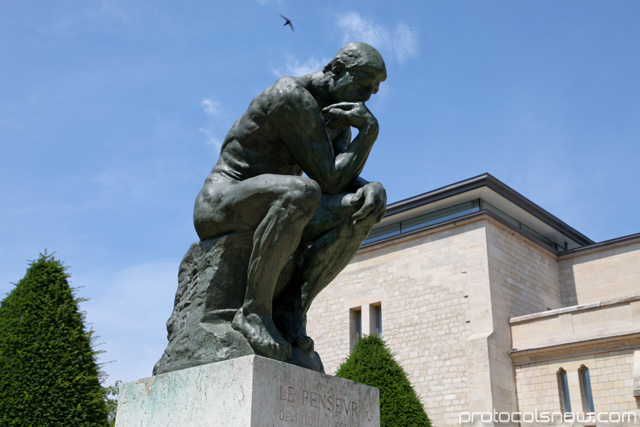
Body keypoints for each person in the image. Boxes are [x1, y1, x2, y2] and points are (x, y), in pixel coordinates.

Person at [193, 42, 387, 362]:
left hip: (282, 201)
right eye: (363, 83)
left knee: (362, 209)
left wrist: (372, 188)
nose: (367, 96)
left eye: (375, 89)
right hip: (223, 201)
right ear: (336, 70)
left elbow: (340, 178)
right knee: (302, 191)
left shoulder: (338, 120)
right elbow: (329, 180)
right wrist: (369, 132)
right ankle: (253, 312)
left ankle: (290, 310)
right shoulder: (290, 96)